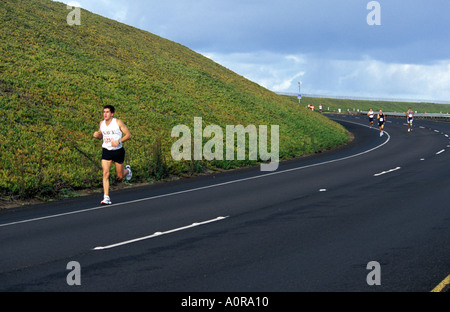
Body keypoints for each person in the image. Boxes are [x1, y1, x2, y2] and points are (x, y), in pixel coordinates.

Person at [93, 105, 132, 205]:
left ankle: (127, 171)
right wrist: (97, 135)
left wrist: (119, 141)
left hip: (118, 151)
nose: (105, 114)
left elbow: (128, 135)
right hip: (106, 150)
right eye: (104, 112)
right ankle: (106, 197)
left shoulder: (117, 122)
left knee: (120, 176)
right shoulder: (101, 123)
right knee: (105, 173)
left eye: (107, 112)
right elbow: (102, 135)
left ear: (112, 114)